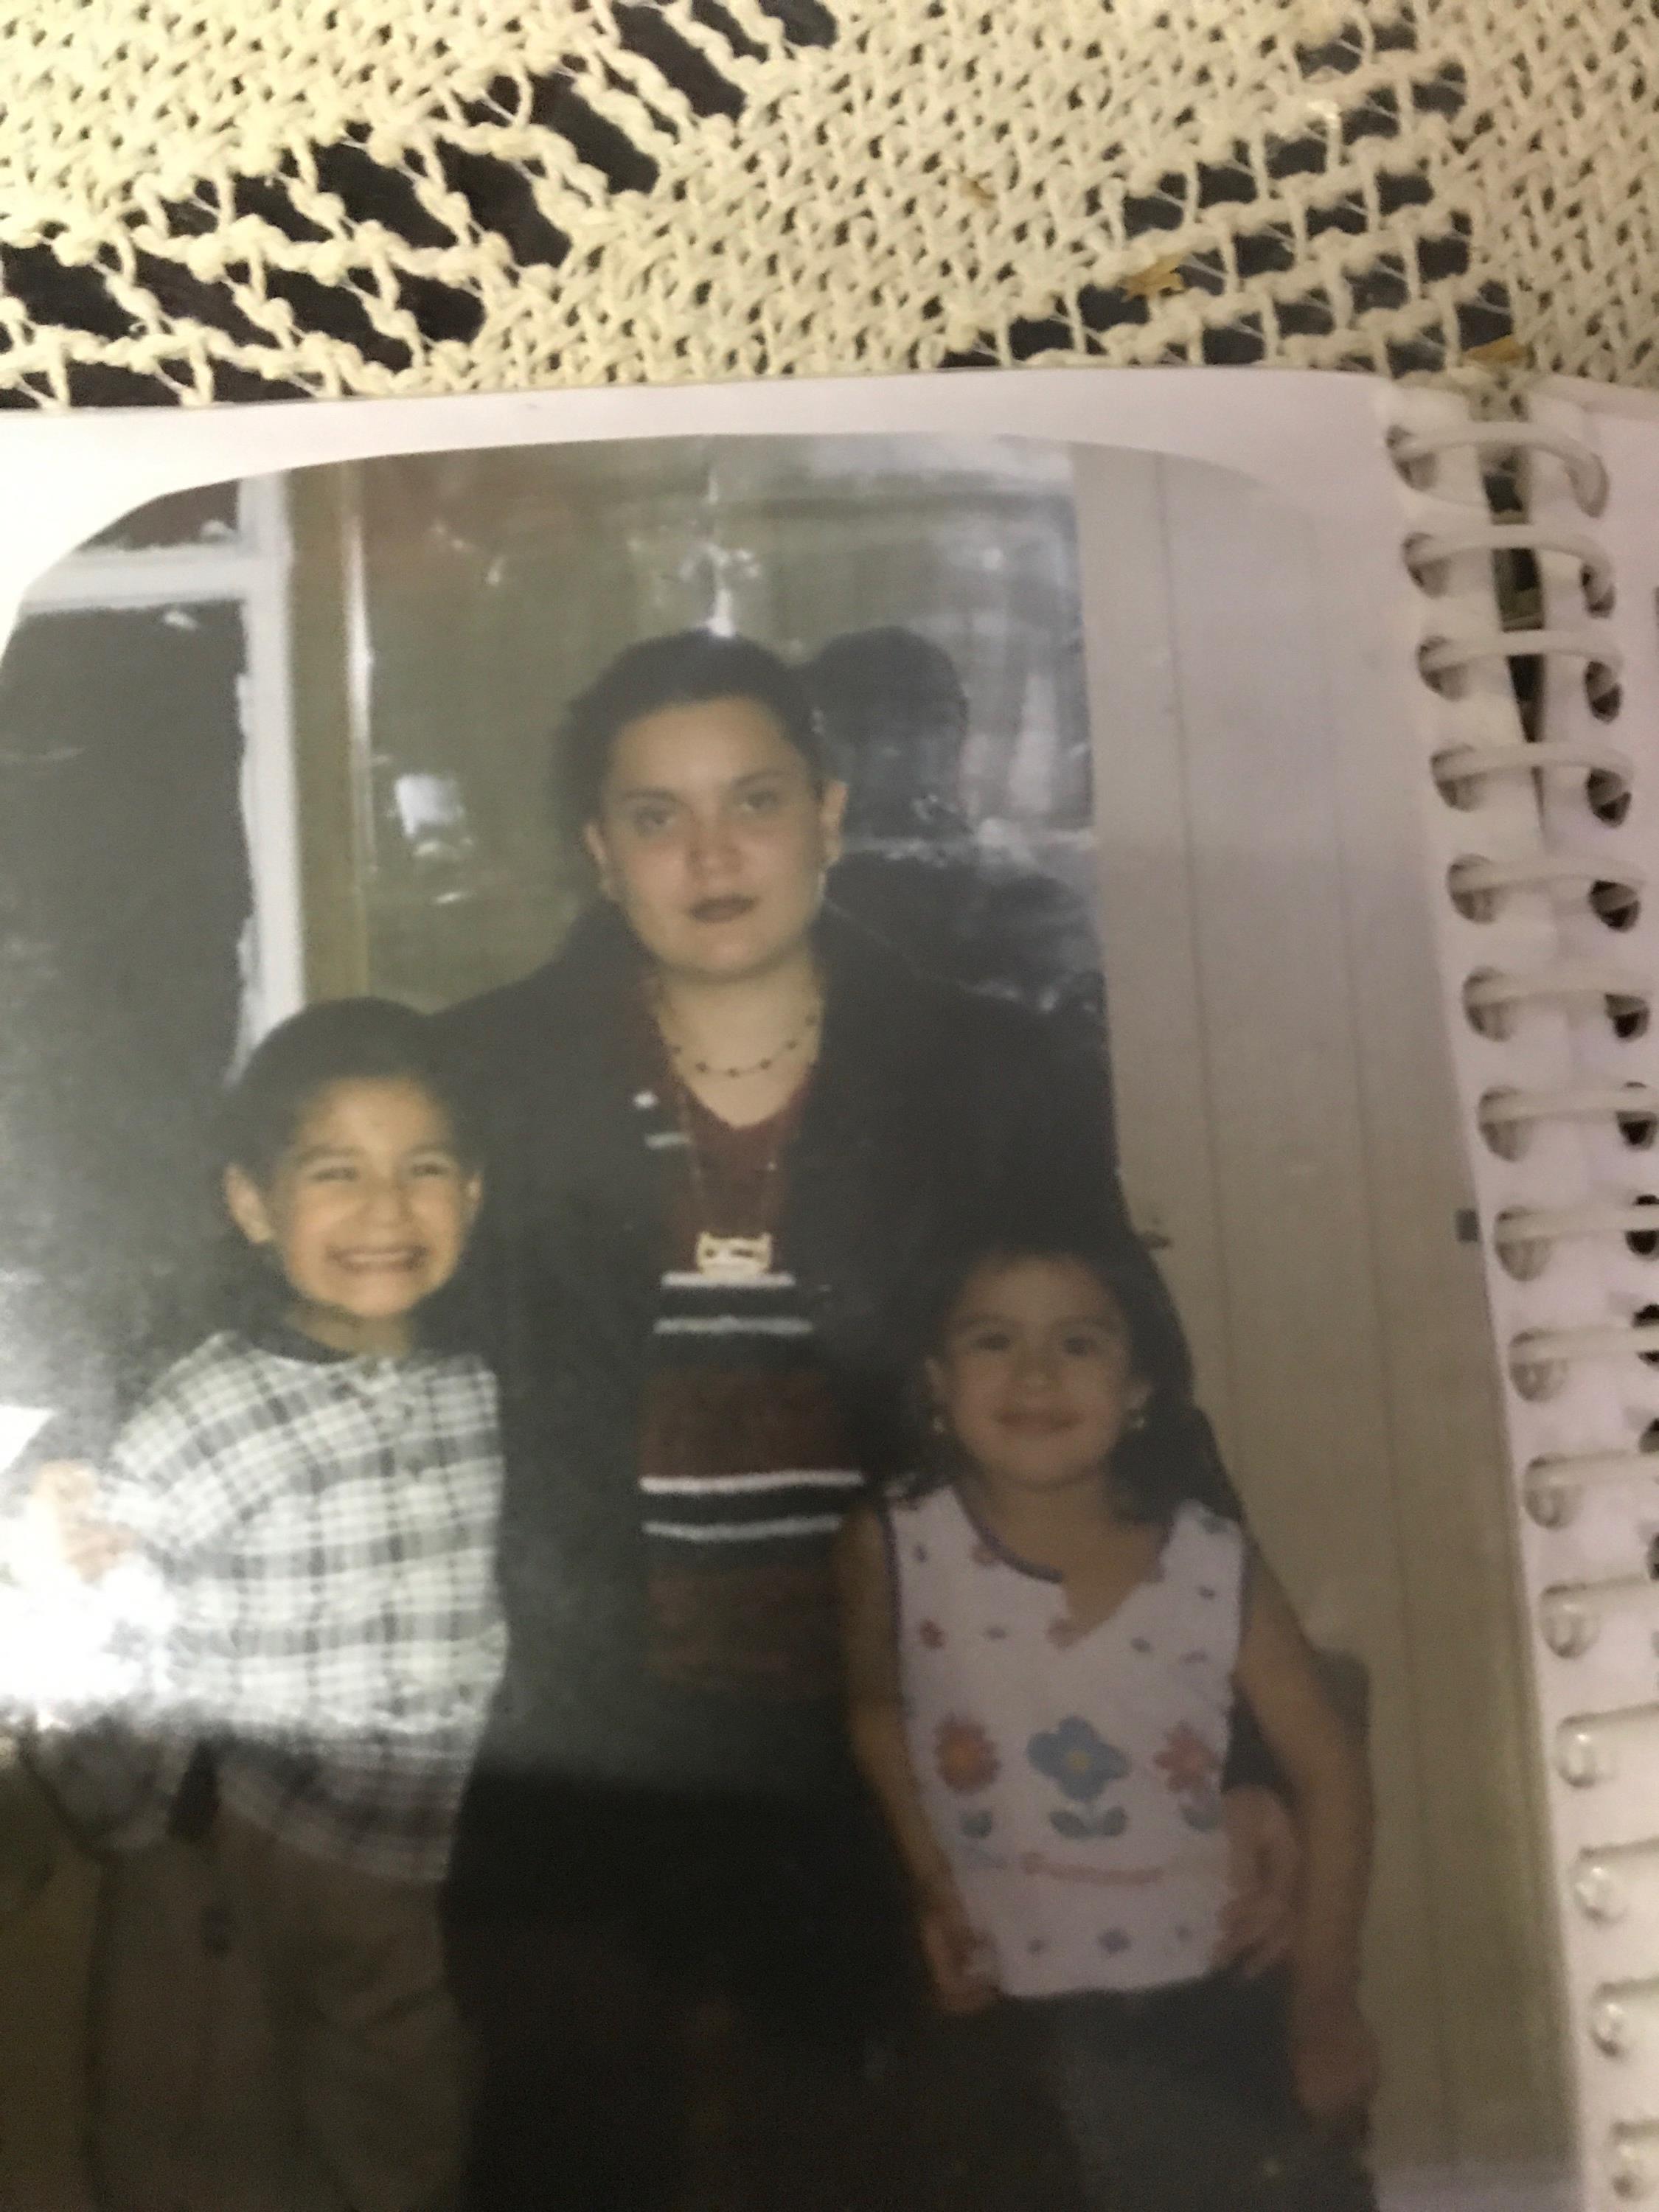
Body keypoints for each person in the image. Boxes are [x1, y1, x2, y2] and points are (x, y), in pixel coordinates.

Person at [434, 630, 1294, 2211]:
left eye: (753, 799)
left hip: (919, 1720)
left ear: (831, 812)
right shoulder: (481, 1074)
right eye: (655, 815)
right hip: (591, 1730)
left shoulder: (992, 1065)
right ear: (596, 852)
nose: (711, 854)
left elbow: (1134, 1396)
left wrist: (1238, 1744)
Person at [30, 997, 506, 2212]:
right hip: (230, 1850)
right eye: (335, 1172)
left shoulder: (482, 1391)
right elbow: (105, 1602)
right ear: (254, 1204)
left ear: (475, 1196)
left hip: (404, 1858)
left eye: (425, 1170)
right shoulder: (215, 1408)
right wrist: (130, 1820)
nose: (386, 1211)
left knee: (401, 2136)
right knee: (197, 2140)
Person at [836, 1233, 1380, 2212]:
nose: (1035, 1373)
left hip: (1205, 2003)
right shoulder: (891, 1545)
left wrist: (1323, 1999)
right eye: (992, 1340)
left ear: (1139, 1388)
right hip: (1001, 2010)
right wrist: (929, 1881)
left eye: (1079, 1343)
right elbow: (876, 1713)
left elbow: (1329, 1769)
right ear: (934, 1378)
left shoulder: (1213, 1560)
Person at [807, 626, 1105, 1038]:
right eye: (862, 730)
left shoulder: (1026, 905)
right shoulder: (794, 900)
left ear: (959, 726)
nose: (892, 750)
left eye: (923, 724)